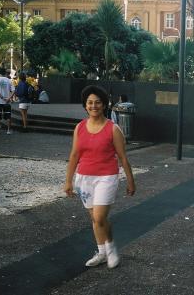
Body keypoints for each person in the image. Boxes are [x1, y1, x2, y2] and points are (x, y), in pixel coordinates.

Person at [64, 85, 136, 269]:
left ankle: (111, 249)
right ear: (85, 105)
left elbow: (123, 157)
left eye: (97, 102)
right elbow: (74, 155)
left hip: (106, 177)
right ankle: (101, 252)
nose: (93, 106)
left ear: (104, 105)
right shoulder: (79, 127)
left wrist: (130, 181)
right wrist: (68, 181)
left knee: (99, 217)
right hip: (84, 178)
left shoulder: (113, 129)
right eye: (90, 102)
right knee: (95, 219)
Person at [0, 67, 15, 135]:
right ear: (5, 73)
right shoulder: (9, 80)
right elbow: (13, 90)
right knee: (8, 116)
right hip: (7, 101)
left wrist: (2, 97)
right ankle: (8, 130)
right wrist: (9, 98)